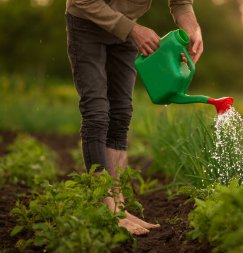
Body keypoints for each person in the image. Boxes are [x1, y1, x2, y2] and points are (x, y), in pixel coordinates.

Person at [65, 0, 203, 235]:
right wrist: (132, 29)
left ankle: (118, 208)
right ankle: (105, 208)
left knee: (121, 113)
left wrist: (192, 27)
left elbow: (181, 3)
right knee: (97, 112)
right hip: (86, 25)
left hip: (126, 32)